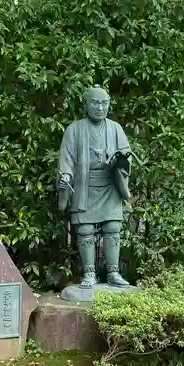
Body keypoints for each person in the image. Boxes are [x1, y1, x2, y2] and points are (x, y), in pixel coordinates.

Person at [58, 84, 132, 288]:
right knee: (85, 229)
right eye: (96, 103)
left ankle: (113, 272)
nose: (100, 108)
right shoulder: (74, 129)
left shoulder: (115, 128)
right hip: (85, 187)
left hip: (109, 185)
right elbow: (67, 158)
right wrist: (65, 176)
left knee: (113, 226)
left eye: (104, 103)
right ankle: (89, 273)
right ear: (86, 105)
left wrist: (121, 161)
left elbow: (126, 153)